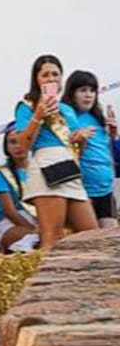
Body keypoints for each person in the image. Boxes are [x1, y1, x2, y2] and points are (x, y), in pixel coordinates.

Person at [14, 54, 98, 249]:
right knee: (53, 237)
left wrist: (81, 139)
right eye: (45, 75)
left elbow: (78, 151)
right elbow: (23, 146)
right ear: (36, 79)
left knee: (92, 236)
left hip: (70, 169)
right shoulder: (27, 106)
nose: (51, 79)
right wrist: (38, 115)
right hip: (46, 166)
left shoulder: (67, 110)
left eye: (55, 74)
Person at [62, 70, 118, 230]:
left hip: (105, 187)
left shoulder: (99, 117)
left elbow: (107, 152)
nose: (88, 95)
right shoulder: (67, 116)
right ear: (72, 93)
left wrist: (114, 135)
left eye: (92, 90)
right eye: (83, 90)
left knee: (110, 236)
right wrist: (78, 139)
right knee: (89, 236)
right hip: (82, 188)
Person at [0, 131, 39, 253]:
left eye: (22, 140)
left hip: (39, 218)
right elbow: (9, 211)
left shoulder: (38, 168)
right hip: (14, 222)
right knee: (34, 240)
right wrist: (33, 229)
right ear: (6, 148)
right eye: (13, 142)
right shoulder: (2, 173)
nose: (18, 146)